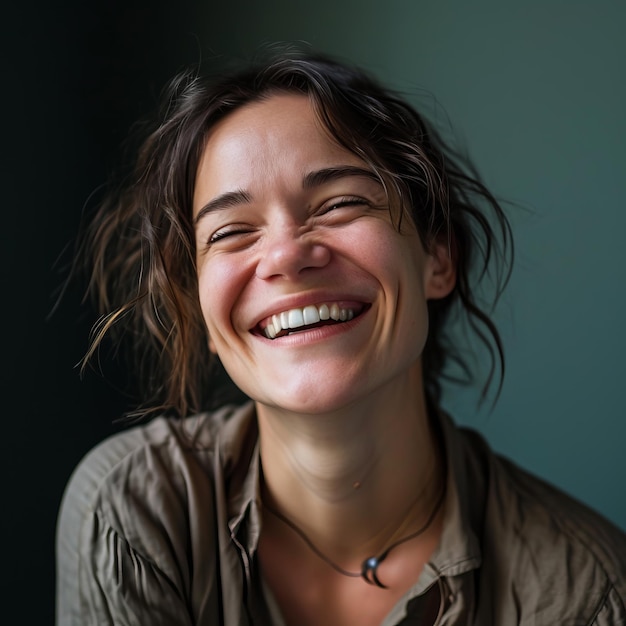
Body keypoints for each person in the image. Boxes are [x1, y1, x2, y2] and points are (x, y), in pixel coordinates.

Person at [56, 50, 626, 626]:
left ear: (437, 256)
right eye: (230, 232)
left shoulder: (588, 595)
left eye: (342, 203)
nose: (285, 255)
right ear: (203, 312)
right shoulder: (133, 515)